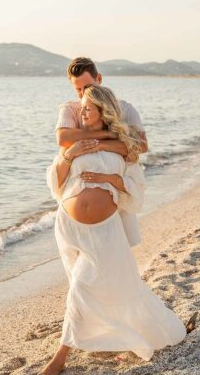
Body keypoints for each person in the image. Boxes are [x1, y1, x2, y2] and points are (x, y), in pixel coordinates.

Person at [41, 85, 196, 375]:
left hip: (105, 230)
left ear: (103, 112)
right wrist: (67, 156)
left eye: (87, 108)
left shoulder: (124, 148)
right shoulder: (74, 144)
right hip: (71, 227)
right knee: (83, 283)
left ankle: (60, 357)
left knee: (85, 286)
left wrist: (109, 178)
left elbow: (136, 191)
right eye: (81, 108)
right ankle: (83, 343)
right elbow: (55, 183)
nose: (81, 112)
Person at [57, 57, 148, 246]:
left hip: (116, 194)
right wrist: (109, 134)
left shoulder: (125, 109)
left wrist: (101, 144)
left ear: (99, 78)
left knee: (118, 251)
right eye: (78, 90)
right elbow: (63, 139)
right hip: (77, 196)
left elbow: (141, 145)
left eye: (87, 87)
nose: (83, 94)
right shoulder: (72, 109)